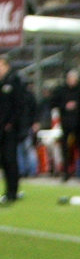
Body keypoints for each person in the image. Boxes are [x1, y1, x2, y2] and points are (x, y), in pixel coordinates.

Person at [0, 54, 30, 204]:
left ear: (7, 66)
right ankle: (8, 190)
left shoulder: (14, 81)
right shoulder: (2, 82)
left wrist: (12, 123)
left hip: (10, 129)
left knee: (10, 159)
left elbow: (19, 105)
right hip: (2, 129)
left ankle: (13, 191)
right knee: (4, 160)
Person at [51, 70, 80, 181]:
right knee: (65, 148)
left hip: (78, 123)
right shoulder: (61, 91)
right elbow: (54, 103)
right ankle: (66, 172)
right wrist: (64, 106)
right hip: (66, 123)